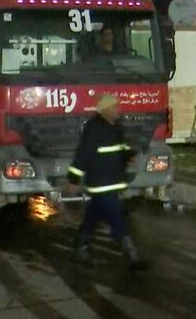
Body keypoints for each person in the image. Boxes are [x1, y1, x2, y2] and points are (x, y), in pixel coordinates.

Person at [66, 93, 146, 270]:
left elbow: (121, 148)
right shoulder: (93, 128)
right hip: (101, 182)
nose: (118, 109)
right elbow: (83, 154)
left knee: (93, 216)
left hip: (112, 180)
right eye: (115, 107)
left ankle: (80, 247)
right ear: (105, 110)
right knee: (116, 216)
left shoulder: (116, 127)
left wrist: (129, 155)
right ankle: (132, 255)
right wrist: (73, 179)